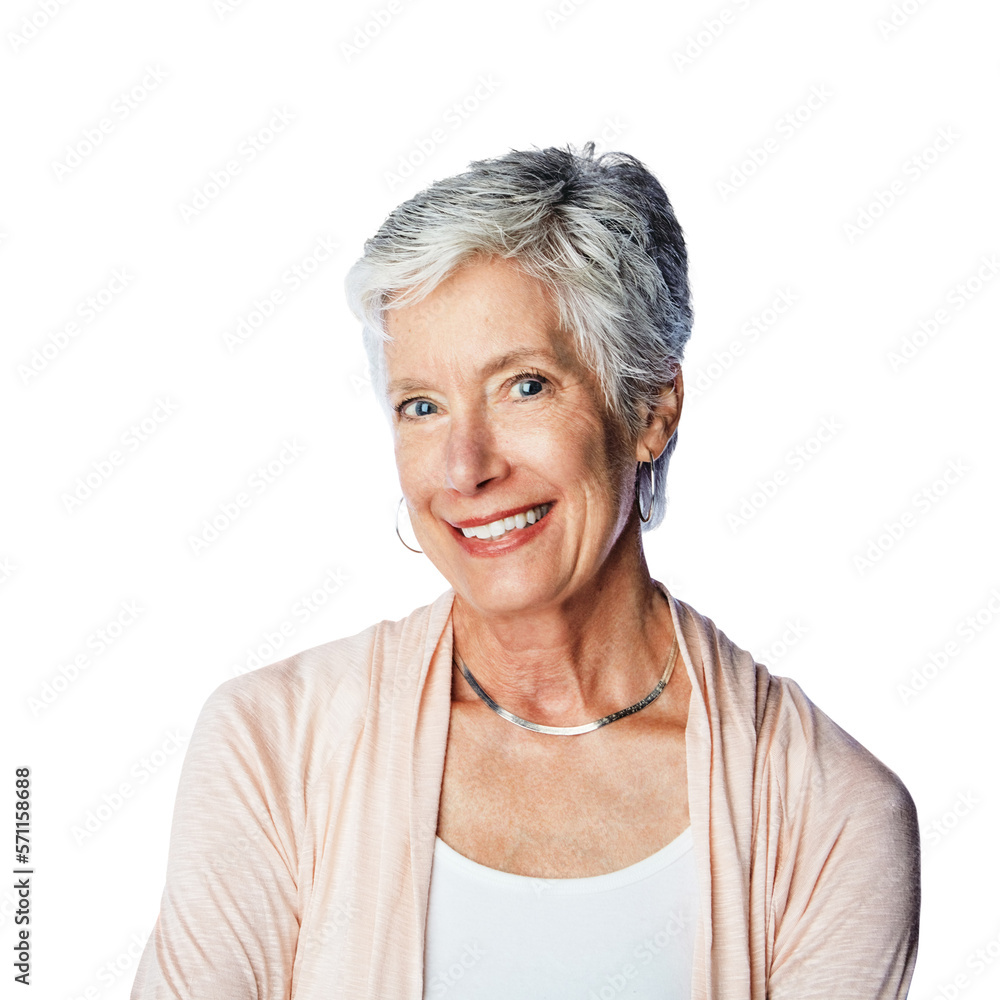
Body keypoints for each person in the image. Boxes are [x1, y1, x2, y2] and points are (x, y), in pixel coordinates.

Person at [131, 143, 920, 999]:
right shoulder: (273, 745)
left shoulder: (831, 813)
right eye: (421, 406)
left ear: (650, 409)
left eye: (525, 386)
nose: (464, 468)